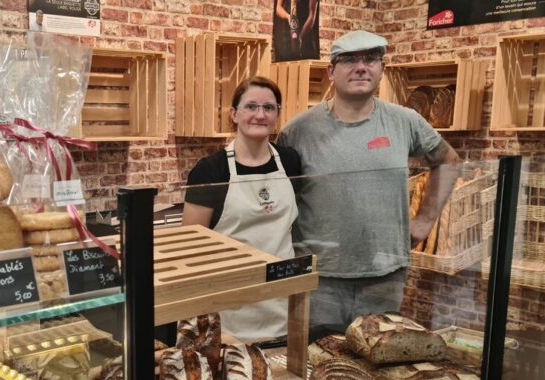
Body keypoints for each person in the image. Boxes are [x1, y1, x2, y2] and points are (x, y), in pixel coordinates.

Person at [277, 30, 460, 332]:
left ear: (382, 70)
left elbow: (448, 160)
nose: (361, 67)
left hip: (384, 278)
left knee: (376, 369)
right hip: (319, 279)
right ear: (331, 72)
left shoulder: (405, 121)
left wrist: (425, 220)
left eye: (371, 59)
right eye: (348, 60)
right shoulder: (298, 131)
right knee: (315, 366)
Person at [183, 76, 302, 341]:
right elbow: (190, 248)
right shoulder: (210, 170)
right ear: (234, 114)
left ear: (277, 115)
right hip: (229, 311)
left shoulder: (291, 162)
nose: (260, 115)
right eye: (251, 107)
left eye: (268, 108)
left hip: (280, 302)